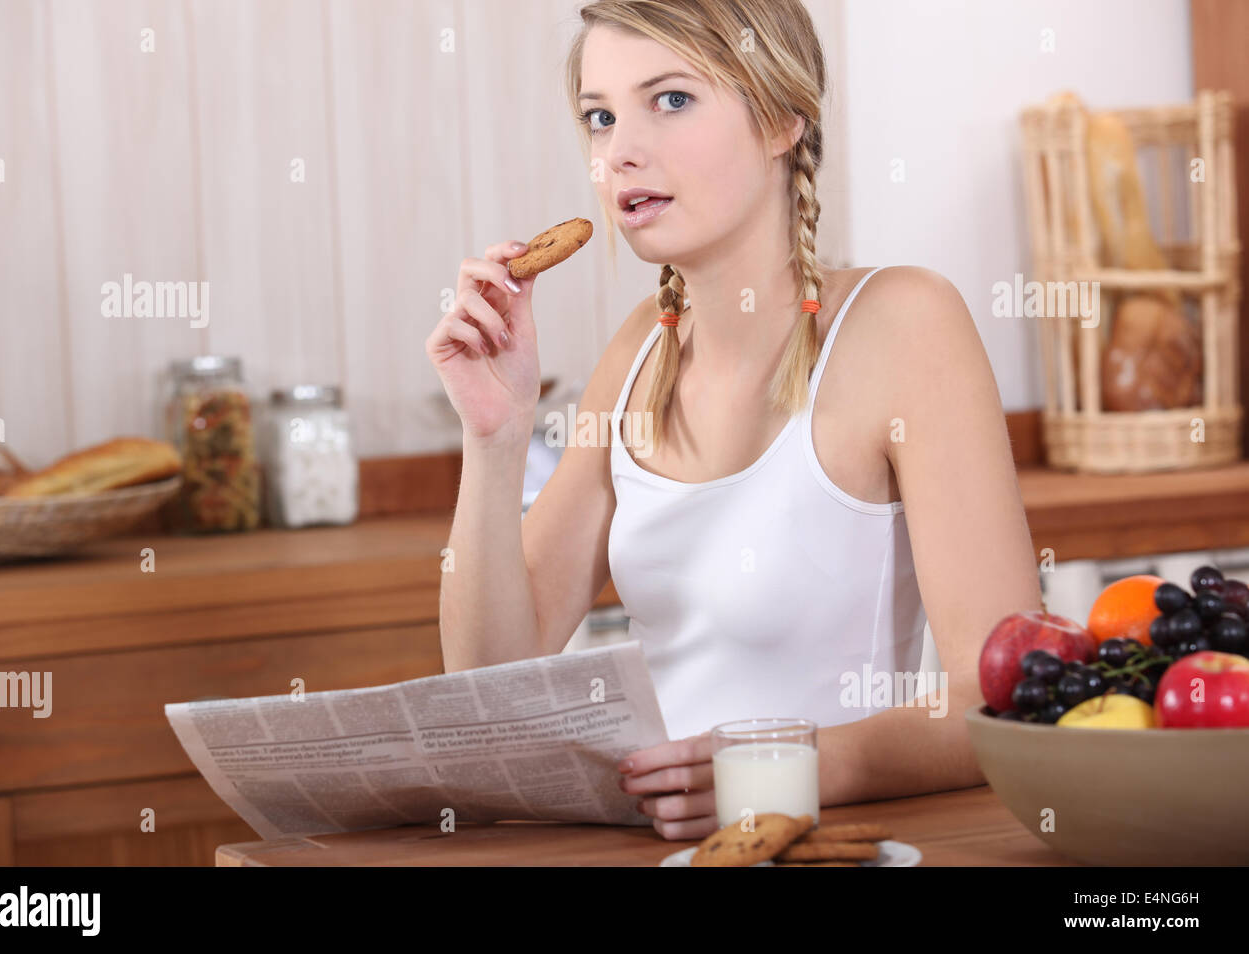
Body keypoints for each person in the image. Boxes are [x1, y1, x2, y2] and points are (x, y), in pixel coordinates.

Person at [426, 0, 1042, 841]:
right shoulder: (638, 352)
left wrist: (776, 772)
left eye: (671, 100)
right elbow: (489, 682)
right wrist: (493, 439)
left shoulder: (904, 323)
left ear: (785, 117)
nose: (620, 152)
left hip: (820, 853)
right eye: (600, 117)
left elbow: (1002, 695)